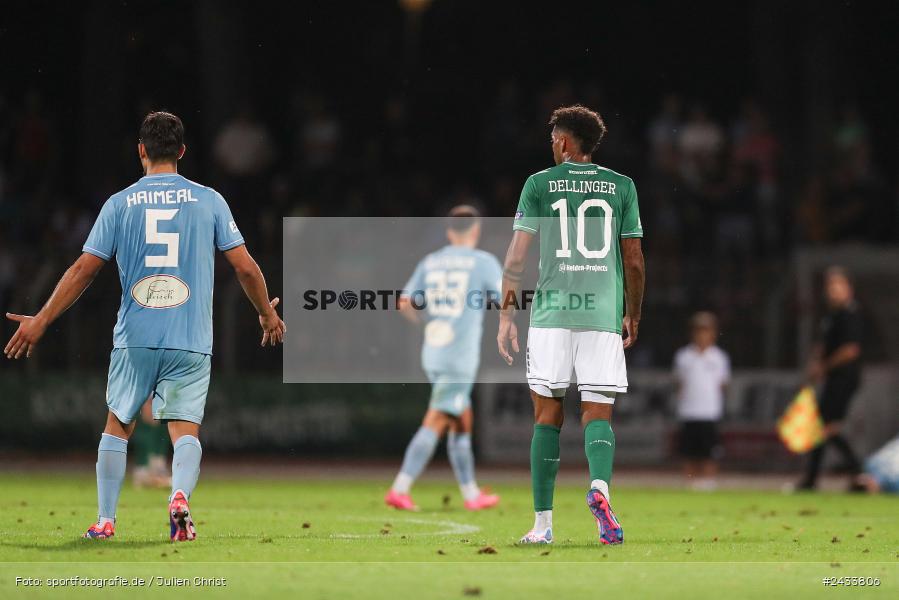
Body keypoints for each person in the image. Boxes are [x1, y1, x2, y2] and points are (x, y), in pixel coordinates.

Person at [4, 111, 286, 541]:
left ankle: (105, 519)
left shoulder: (119, 203)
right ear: (183, 152)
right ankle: (178, 498)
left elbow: (83, 269)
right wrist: (266, 312)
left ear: (141, 151)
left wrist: (41, 319)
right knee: (185, 429)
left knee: (118, 424)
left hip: (135, 336)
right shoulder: (209, 200)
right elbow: (245, 269)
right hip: (190, 338)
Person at [497, 105, 645, 545]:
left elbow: (517, 258)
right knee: (597, 411)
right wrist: (632, 311)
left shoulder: (538, 184)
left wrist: (506, 313)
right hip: (600, 315)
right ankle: (599, 489)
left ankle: (542, 527)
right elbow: (633, 260)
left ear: (562, 142)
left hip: (552, 314)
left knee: (547, 416)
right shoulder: (622, 186)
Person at [385, 206, 502, 511]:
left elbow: (404, 302)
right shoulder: (483, 262)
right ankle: (400, 487)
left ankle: (471, 494)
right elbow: (506, 299)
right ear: (476, 231)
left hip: (434, 350)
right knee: (438, 417)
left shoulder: (431, 261)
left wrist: (427, 323)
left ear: (450, 233)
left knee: (462, 418)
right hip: (459, 355)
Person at [798, 266, 863, 490]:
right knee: (826, 428)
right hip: (834, 377)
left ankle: (857, 471)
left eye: (838, 285)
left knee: (824, 428)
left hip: (844, 378)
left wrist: (824, 366)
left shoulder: (850, 313)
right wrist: (816, 363)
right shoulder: (831, 317)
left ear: (849, 289)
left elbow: (850, 350)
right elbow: (823, 345)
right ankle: (856, 476)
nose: (833, 290)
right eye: (830, 286)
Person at [673, 312, 730, 491]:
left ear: (713, 333)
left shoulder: (719, 358)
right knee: (690, 452)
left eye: (706, 331)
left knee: (709, 453)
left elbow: (722, 385)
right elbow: (680, 384)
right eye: (699, 331)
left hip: (709, 413)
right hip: (689, 412)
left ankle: (708, 485)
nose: (702, 335)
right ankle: (690, 486)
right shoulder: (683, 356)